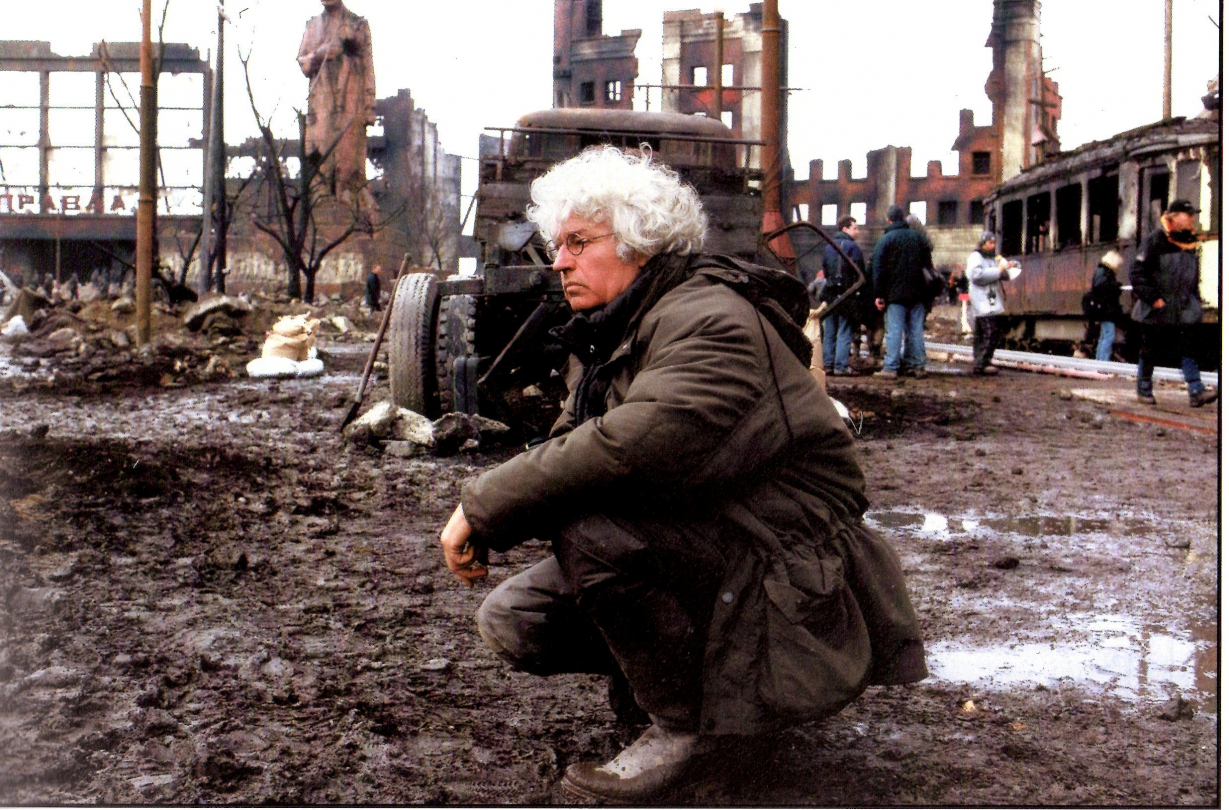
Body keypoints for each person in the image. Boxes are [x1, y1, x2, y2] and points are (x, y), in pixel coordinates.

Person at [438, 146, 926, 803]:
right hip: (733, 539)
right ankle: (699, 693)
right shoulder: (614, 328)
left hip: (797, 560)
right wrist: (502, 510)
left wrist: (482, 504)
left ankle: (690, 729)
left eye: (578, 242)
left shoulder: (710, 322)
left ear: (640, 242)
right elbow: (569, 445)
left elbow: (627, 448)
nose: (558, 261)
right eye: (558, 244)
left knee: (592, 534)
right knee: (518, 618)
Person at [1129, 199, 1218, 407]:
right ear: (1174, 217)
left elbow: (1191, 277)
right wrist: (1152, 298)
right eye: (1189, 216)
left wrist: (1194, 302)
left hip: (1182, 309)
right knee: (1149, 350)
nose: (1193, 220)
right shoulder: (1155, 241)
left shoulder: (1189, 243)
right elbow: (1136, 273)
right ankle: (1144, 390)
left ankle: (1196, 391)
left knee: (1188, 348)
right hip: (1156, 308)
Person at [297, 0, 377, 203]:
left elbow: (368, 67)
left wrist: (370, 106)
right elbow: (302, 61)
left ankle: (349, 194)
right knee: (320, 150)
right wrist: (319, 54)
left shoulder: (357, 24)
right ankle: (320, 195)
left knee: (348, 152)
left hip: (351, 98)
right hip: (322, 101)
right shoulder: (312, 25)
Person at [871, 204, 933, 378]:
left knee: (894, 331)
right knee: (915, 331)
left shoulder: (886, 240)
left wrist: (879, 295)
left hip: (895, 295)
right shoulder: (918, 238)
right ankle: (917, 365)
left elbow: (879, 270)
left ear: (888, 220)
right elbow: (928, 266)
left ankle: (891, 367)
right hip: (918, 294)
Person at [819, 215, 864, 376]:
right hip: (847, 294)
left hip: (830, 294)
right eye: (855, 228)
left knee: (830, 331)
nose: (858, 231)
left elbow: (824, 268)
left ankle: (828, 365)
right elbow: (860, 272)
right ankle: (841, 366)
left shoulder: (828, 247)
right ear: (845, 229)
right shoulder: (853, 248)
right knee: (844, 331)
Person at [965, 232, 1016, 375]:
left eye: (994, 243)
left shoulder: (993, 258)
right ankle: (981, 363)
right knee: (990, 332)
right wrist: (998, 271)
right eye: (990, 243)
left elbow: (1001, 274)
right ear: (983, 243)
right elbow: (976, 276)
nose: (993, 246)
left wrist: (1008, 269)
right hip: (981, 301)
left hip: (989, 301)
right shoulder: (976, 257)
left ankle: (981, 362)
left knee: (982, 334)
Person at [1082, 250, 1124, 362]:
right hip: (1106, 310)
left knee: (1104, 336)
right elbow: (1102, 287)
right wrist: (1116, 286)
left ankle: (1099, 360)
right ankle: (1103, 362)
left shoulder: (1101, 271)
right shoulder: (1104, 272)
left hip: (1103, 310)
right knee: (1109, 336)